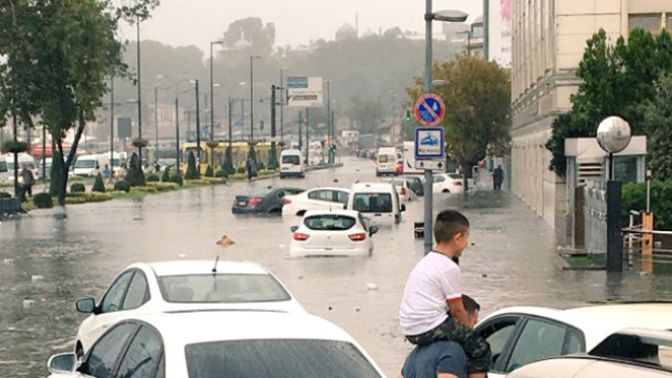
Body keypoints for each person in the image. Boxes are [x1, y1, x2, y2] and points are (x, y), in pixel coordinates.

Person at [399, 210, 491, 378]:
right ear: (458, 238)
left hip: (411, 328)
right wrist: (468, 333)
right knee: (481, 349)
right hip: (429, 326)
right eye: (467, 237)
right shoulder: (448, 267)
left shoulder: (427, 261)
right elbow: (457, 310)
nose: (467, 243)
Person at [400, 295, 482, 378]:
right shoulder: (453, 351)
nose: (472, 330)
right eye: (474, 322)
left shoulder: (415, 353)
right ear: (462, 316)